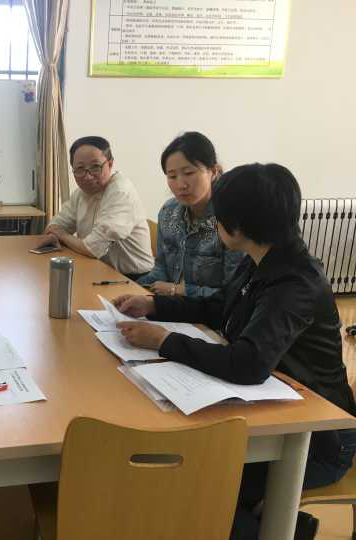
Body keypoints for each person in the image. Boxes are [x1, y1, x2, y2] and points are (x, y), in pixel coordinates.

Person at [113, 163, 356, 540]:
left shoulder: (295, 283)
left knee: (200, 482)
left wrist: (164, 341)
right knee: (193, 468)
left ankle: (274, 526)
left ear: (238, 226)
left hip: (318, 440)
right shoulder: (262, 259)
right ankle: (280, 524)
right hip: (273, 409)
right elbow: (219, 307)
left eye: (218, 217)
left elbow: (248, 363)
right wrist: (155, 306)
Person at [137, 131, 244, 297]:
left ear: (213, 171)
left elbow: (234, 294)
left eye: (188, 173)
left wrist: (179, 290)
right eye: (172, 176)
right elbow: (160, 269)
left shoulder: (231, 218)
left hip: (207, 311)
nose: (181, 185)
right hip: (167, 305)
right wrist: (132, 288)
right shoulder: (168, 212)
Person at [34, 136, 154, 279]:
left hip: (134, 279)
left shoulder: (120, 192)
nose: (88, 176)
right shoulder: (81, 193)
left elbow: (92, 249)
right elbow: (56, 225)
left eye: (96, 167)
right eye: (80, 169)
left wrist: (61, 235)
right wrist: (55, 234)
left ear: (110, 164)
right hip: (97, 268)